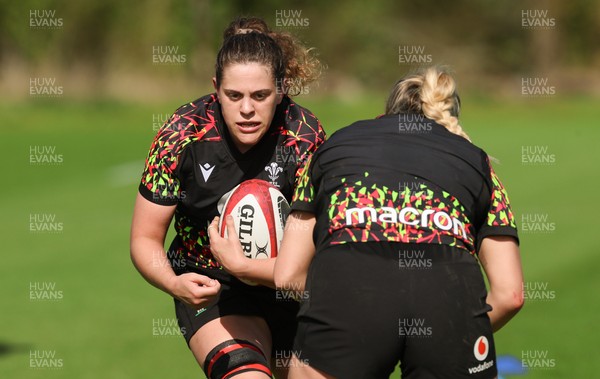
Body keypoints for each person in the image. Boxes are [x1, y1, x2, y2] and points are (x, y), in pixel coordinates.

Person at [210, 66, 524, 379]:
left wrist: (245, 267)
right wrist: (449, 332)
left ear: (385, 113)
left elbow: (289, 274)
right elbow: (510, 295)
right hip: (450, 306)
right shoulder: (477, 162)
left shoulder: (334, 148)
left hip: (349, 297)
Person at [130, 16, 325, 379]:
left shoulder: (304, 137)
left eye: (260, 96)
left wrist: (246, 266)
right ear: (215, 88)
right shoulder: (182, 134)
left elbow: (310, 263)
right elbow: (144, 238)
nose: (247, 109)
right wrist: (173, 282)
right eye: (233, 96)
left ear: (281, 90)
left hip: (289, 290)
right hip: (212, 288)